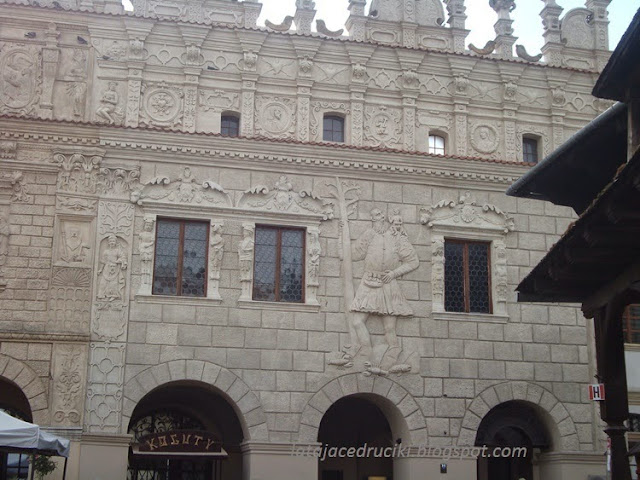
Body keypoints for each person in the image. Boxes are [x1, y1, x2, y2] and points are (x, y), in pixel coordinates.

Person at [349, 208, 419, 361]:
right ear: (372, 220)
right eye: (375, 216)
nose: (379, 219)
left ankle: (393, 353)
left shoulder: (397, 237)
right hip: (368, 283)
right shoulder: (368, 235)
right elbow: (352, 255)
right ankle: (366, 352)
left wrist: (394, 273)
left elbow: (413, 261)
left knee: (389, 328)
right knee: (357, 321)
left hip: (388, 285)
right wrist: (342, 235)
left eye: (381, 216)